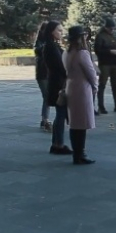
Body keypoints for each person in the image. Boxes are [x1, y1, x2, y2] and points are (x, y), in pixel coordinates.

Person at [63, 26, 98, 165]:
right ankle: (80, 153)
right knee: (82, 123)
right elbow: (91, 73)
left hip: (70, 86)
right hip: (82, 88)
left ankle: (76, 153)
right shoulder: (82, 53)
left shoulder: (67, 52)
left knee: (74, 123)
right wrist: (95, 87)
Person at [42, 21, 72, 155]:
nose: (61, 32)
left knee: (61, 114)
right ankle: (58, 144)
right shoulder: (50, 47)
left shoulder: (53, 45)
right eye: (59, 30)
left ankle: (56, 143)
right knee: (61, 113)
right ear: (51, 31)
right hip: (57, 83)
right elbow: (60, 66)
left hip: (57, 81)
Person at [94, 17, 116, 114]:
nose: (112, 30)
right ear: (106, 28)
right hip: (105, 63)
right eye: (110, 28)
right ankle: (101, 106)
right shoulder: (101, 36)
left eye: (113, 28)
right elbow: (98, 50)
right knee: (102, 85)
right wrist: (110, 51)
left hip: (115, 62)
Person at [34, 21, 51, 131]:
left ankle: (44, 119)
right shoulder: (40, 43)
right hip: (42, 74)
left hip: (50, 73)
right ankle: (44, 120)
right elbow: (38, 51)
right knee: (47, 97)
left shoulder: (51, 42)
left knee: (49, 97)